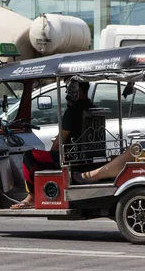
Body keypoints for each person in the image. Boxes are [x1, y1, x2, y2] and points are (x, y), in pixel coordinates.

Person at [11, 80, 94, 209]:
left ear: (79, 90)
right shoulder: (91, 107)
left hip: (69, 156)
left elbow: (58, 144)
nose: (67, 92)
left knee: (29, 155)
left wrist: (52, 151)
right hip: (86, 156)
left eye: (70, 89)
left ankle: (31, 196)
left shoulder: (72, 111)